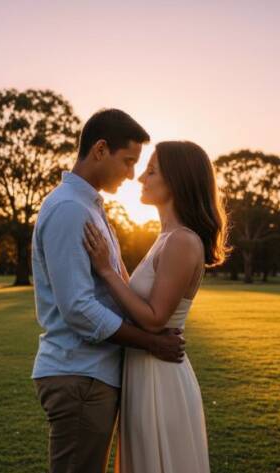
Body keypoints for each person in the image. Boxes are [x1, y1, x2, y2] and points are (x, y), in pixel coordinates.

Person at [31, 109, 186, 473]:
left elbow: (111, 285)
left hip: (91, 374)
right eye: (128, 161)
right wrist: (150, 341)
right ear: (100, 150)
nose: (132, 174)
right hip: (79, 374)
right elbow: (79, 308)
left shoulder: (89, 207)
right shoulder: (70, 209)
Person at [83, 140, 229, 473]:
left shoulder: (182, 241)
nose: (140, 178)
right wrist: (115, 262)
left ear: (176, 181)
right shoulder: (166, 238)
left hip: (159, 375)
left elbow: (153, 319)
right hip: (144, 370)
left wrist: (106, 269)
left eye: (151, 171)